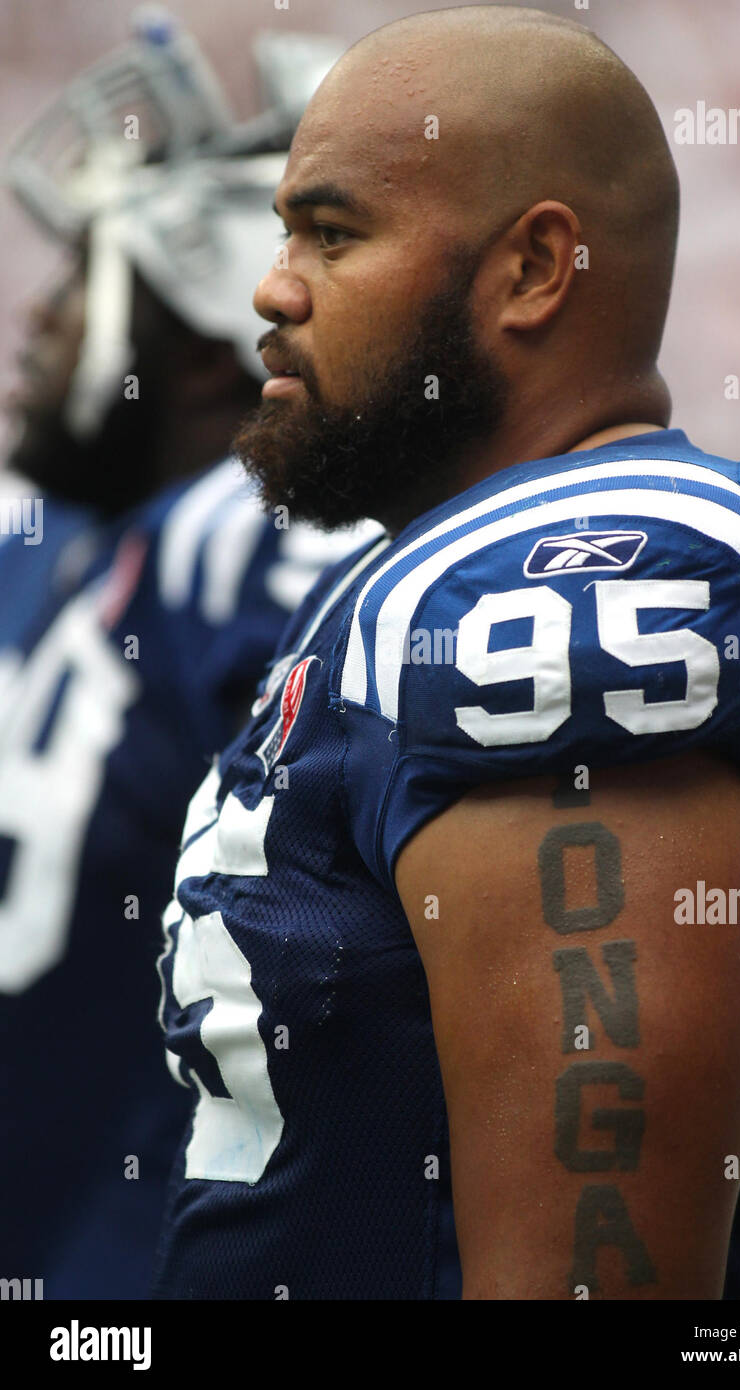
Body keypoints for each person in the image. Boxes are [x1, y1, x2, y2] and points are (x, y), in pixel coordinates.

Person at [153, 7, 740, 1300]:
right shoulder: (430, 567)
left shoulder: (579, 574)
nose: (271, 287)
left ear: (533, 269)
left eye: (332, 231)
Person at [0, 16, 370, 1299]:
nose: (36, 323)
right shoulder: (56, 544)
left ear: (211, 332)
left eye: (84, 280)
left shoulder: (244, 536)